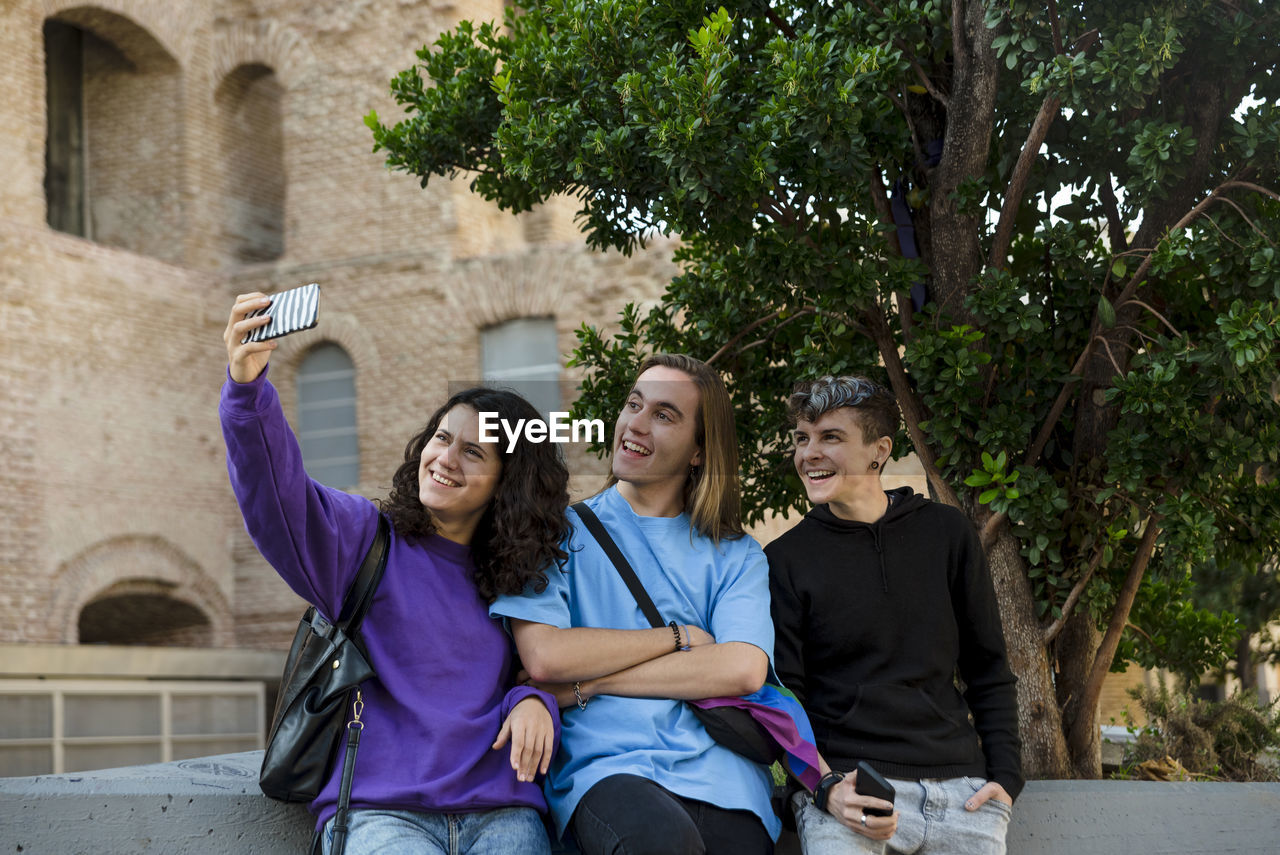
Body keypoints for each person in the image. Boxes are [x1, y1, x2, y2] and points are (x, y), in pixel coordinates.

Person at [221, 292, 570, 854]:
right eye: (441, 437)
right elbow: (277, 496)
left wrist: (534, 701)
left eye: (474, 453)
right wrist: (247, 390)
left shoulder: (524, 574)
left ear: (507, 484)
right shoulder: (365, 539)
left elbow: (534, 672)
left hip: (504, 813)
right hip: (379, 814)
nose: (445, 459)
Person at [490, 353, 780, 855]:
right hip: (609, 769)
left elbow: (743, 667)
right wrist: (679, 638)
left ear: (698, 450)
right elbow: (545, 657)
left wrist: (594, 682)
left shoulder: (736, 554)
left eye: (664, 415)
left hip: (726, 781)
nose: (635, 425)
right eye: (633, 404)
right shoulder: (556, 532)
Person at [766, 375, 1023, 855]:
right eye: (802, 438)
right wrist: (823, 788)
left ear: (878, 450)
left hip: (963, 795)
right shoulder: (785, 560)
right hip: (849, 792)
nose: (809, 453)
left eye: (831, 438)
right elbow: (785, 700)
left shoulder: (946, 535)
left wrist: (1005, 780)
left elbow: (988, 668)